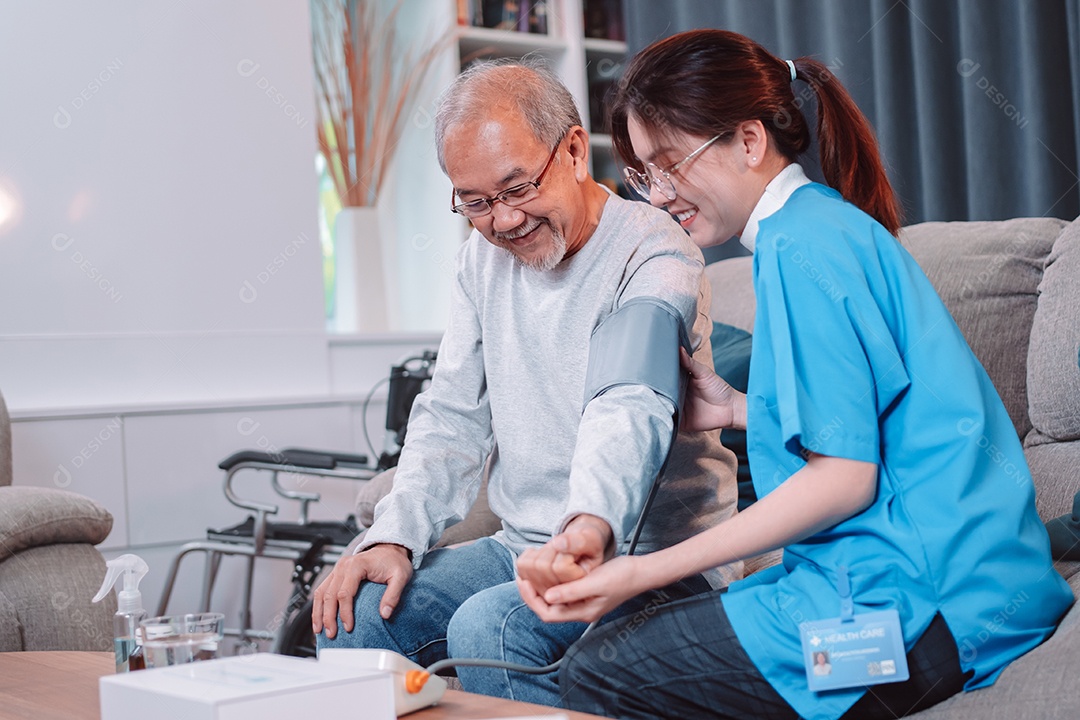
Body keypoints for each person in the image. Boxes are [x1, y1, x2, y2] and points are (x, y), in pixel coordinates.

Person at [517, 29, 1074, 720]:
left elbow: (843, 478)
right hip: (958, 590)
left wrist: (640, 569)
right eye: (642, 175)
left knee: (603, 670)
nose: (657, 196)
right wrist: (740, 409)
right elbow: (875, 419)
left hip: (919, 622)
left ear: (748, 141)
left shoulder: (798, 251)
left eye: (668, 166)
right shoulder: (822, 227)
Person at [311, 59, 741, 705]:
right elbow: (452, 411)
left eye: (516, 189)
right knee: (355, 614)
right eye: (476, 202)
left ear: (571, 150)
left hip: (649, 560)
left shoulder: (654, 249)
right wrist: (394, 534)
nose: (503, 221)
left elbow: (627, 406)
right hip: (519, 548)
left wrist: (586, 529)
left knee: (493, 626)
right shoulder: (478, 262)